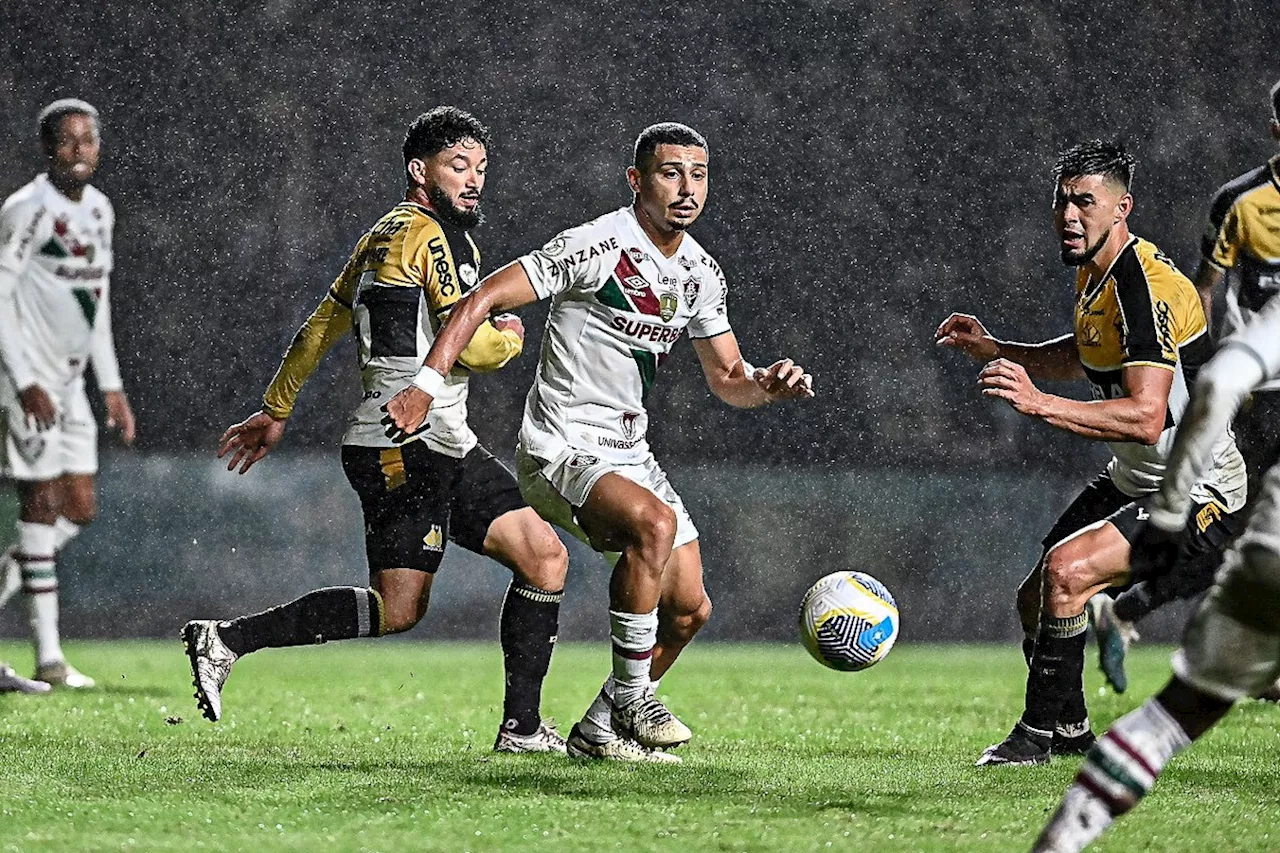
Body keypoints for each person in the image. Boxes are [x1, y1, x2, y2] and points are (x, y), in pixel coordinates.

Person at [381, 122, 814, 762]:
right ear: (637, 181)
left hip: (630, 453)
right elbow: (480, 300)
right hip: (560, 445)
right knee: (653, 526)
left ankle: (598, 729)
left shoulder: (699, 272)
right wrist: (425, 382)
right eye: (670, 173)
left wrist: (766, 385)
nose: (687, 188)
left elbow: (728, 378)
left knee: (691, 612)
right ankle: (635, 696)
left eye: (698, 174)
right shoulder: (595, 246)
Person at [183, 107, 570, 754]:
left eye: (480, 169)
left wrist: (275, 409)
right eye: (458, 167)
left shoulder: (380, 235)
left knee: (544, 556)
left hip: (443, 441)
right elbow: (467, 346)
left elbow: (318, 328)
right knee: (399, 608)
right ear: (419, 171)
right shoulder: (436, 236)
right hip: (402, 438)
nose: (474, 181)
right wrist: (505, 340)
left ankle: (521, 728)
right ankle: (226, 639)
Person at [936, 140, 1247, 766]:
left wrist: (1036, 403)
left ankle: (1032, 739)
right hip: (1139, 477)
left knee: (1068, 574)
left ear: (1122, 208)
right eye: (1063, 201)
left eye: (1086, 202)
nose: (1070, 215)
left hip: (1197, 489)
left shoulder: (1142, 285)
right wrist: (1000, 350)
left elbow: (1145, 414)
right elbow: (1087, 356)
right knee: (1037, 596)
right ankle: (1072, 730)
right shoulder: (1097, 273)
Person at [1029, 295, 1280, 852]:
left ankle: (1062, 840)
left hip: (1273, 544)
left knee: (1176, 715)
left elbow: (1218, 384)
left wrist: (1166, 517)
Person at [1089, 79, 1280, 696]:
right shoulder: (1242, 202)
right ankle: (1130, 608)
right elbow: (1202, 293)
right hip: (1256, 395)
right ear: (1276, 128)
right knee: (1222, 540)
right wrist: (1203, 377)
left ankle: (1140, 612)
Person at [0, 99, 136, 688]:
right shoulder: (27, 209)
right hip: (27, 378)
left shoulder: (101, 211)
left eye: (88, 140)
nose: (79, 150)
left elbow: (94, 302)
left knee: (78, 508)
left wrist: (110, 385)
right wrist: (24, 378)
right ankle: (50, 659)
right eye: (66, 141)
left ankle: (21, 596)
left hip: (74, 382)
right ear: (46, 148)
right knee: (39, 506)